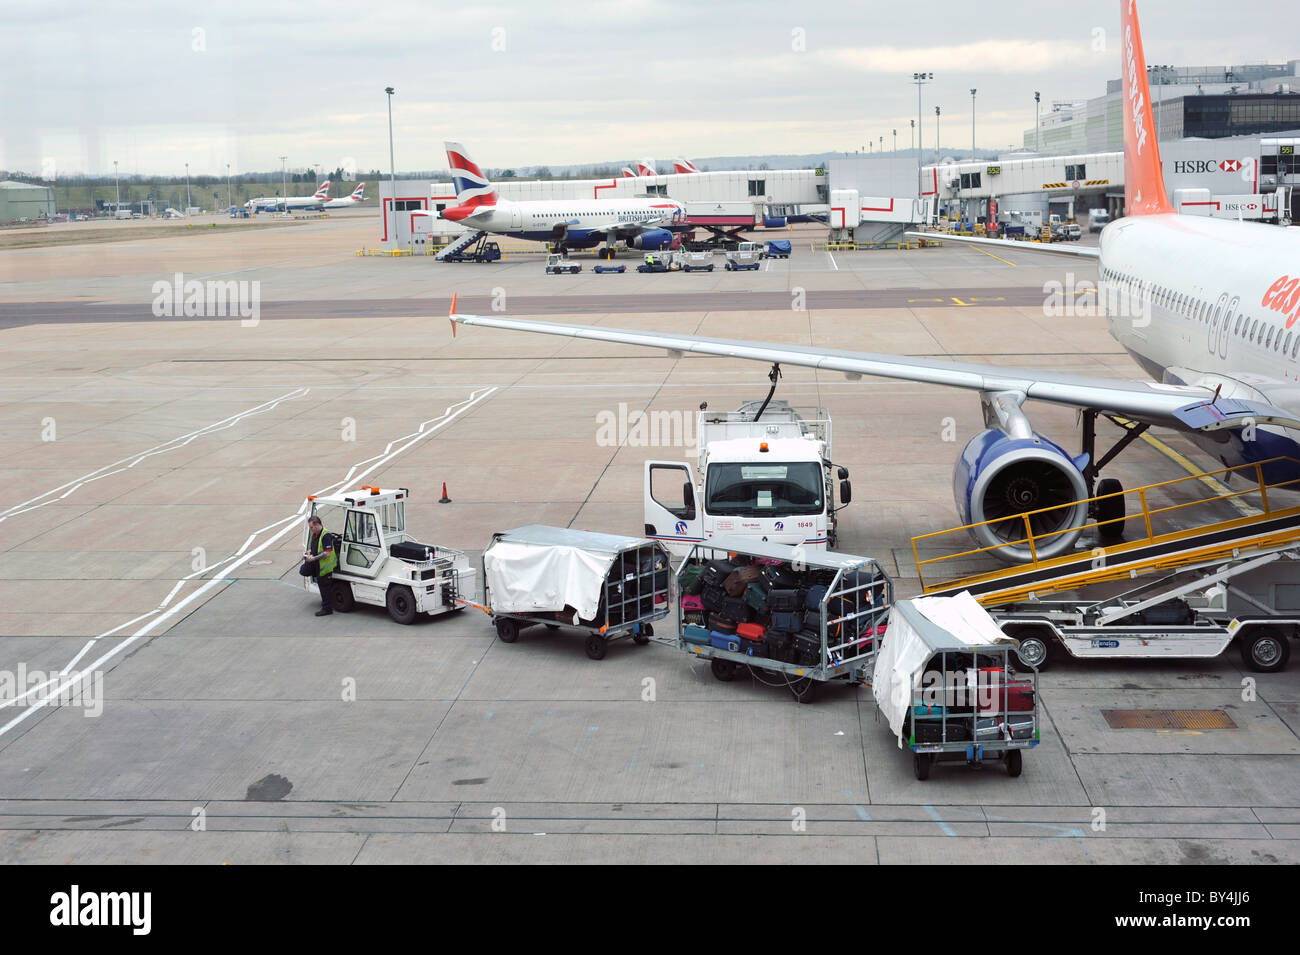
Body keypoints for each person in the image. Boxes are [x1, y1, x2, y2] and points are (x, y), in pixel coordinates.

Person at [303, 515, 337, 616]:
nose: (310, 529)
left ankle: (327, 609)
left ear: (317, 525)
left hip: (325, 567)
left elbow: (327, 553)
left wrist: (314, 558)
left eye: (311, 527)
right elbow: (316, 547)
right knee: (321, 585)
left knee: (325, 588)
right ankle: (326, 605)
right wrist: (309, 551)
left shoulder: (325, 535)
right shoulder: (316, 534)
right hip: (319, 566)